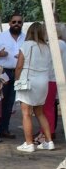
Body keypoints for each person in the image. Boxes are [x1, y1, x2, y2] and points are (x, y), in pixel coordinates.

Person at [15, 22, 54, 152]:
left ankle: (29, 143)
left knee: (26, 113)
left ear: (30, 32)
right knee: (40, 112)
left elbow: (19, 65)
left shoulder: (26, 45)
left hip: (28, 80)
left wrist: (16, 78)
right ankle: (49, 141)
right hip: (43, 81)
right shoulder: (47, 47)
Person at [0, 13, 26, 139]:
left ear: (22, 24)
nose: (16, 24)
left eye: (19, 22)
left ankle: (4, 129)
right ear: (9, 23)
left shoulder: (26, 38)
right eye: (14, 22)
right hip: (3, 72)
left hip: (19, 72)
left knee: (10, 103)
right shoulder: (0, 37)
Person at [39, 23, 66, 143]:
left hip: (51, 78)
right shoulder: (62, 44)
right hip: (54, 78)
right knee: (48, 107)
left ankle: (47, 133)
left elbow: (46, 60)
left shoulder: (56, 44)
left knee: (46, 108)